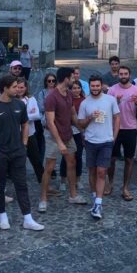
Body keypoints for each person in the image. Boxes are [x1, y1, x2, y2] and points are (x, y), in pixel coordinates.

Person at [0, 75, 44, 231]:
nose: (18, 89)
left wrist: (24, 144)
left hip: (18, 152)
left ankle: (27, 218)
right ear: (5, 88)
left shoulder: (20, 105)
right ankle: (2, 216)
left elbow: (25, 123)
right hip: (0, 153)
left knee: (21, 184)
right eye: (14, 87)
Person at [40, 68, 87, 210]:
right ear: (66, 78)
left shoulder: (69, 94)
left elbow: (73, 115)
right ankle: (43, 199)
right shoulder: (51, 97)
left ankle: (73, 195)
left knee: (71, 163)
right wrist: (60, 143)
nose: (74, 80)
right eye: (72, 77)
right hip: (53, 137)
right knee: (49, 167)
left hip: (68, 134)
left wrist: (81, 130)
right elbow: (50, 122)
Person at [77, 75, 120, 220]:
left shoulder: (110, 100)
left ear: (101, 86)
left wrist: (114, 136)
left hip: (106, 141)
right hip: (90, 141)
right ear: (89, 86)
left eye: (97, 85)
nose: (95, 88)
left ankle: (98, 204)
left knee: (101, 171)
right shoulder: (85, 103)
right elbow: (80, 124)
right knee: (92, 171)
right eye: (93, 86)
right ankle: (95, 197)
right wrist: (90, 117)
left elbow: (117, 117)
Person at [107, 66, 137, 200]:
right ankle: (110, 183)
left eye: (125, 74)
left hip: (130, 128)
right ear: (118, 75)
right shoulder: (112, 90)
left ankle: (125, 187)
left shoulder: (136, 90)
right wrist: (116, 102)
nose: (123, 76)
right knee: (111, 159)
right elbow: (107, 111)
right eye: (121, 74)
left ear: (130, 75)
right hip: (114, 129)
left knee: (129, 159)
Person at [16, 78, 44, 184]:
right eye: (18, 87)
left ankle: (43, 181)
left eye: (22, 87)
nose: (20, 89)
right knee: (18, 160)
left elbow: (37, 115)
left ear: (26, 88)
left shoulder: (31, 99)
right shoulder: (12, 100)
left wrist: (22, 117)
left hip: (30, 134)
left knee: (36, 159)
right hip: (16, 134)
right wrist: (29, 115)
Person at [60, 80, 86, 191]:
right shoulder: (67, 99)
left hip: (80, 132)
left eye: (78, 88)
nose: (76, 90)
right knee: (66, 156)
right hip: (68, 130)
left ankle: (77, 179)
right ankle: (63, 180)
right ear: (70, 90)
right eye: (74, 88)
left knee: (78, 156)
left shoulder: (84, 100)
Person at [36, 72, 57, 164]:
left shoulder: (58, 91)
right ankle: (45, 166)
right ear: (46, 82)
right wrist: (54, 107)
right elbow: (41, 107)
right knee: (48, 145)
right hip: (47, 122)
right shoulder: (42, 93)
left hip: (58, 121)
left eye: (53, 80)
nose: (51, 82)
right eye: (49, 81)